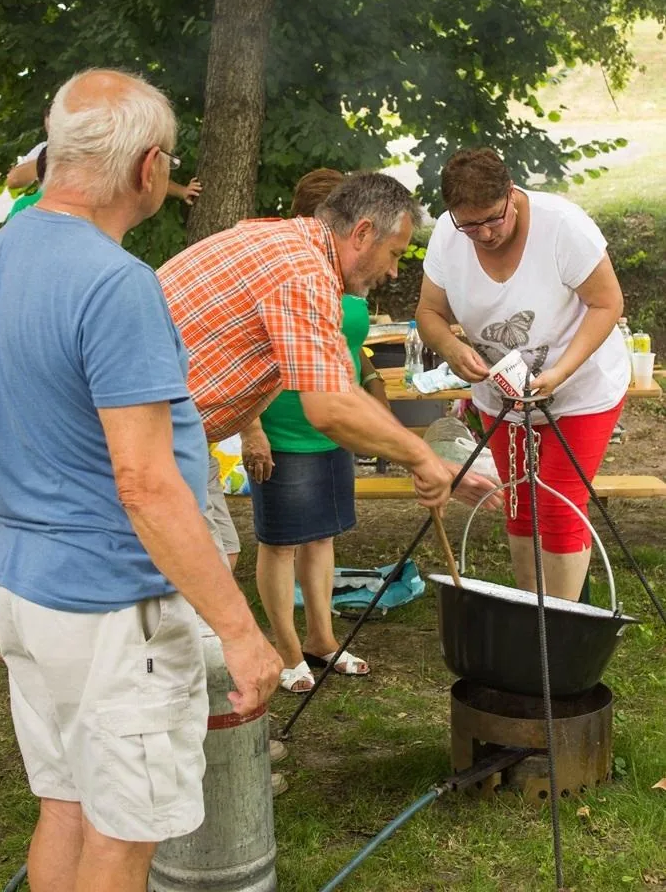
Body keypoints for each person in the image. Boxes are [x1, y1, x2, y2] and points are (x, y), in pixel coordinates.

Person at [0, 68, 281, 892]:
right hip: (113, 607)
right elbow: (145, 483)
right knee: (119, 833)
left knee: (66, 806)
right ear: (149, 168)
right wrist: (241, 632)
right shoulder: (115, 283)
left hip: (24, 588)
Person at [158, 171, 502, 692]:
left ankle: (195, 735)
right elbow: (330, 407)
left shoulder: (281, 241)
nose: (393, 271)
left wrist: (421, 457)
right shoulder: (302, 271)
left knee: (175, 597)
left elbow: (338, 384)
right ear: (362, 232)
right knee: (160, 607)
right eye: (393, 252)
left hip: (165, 430)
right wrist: (424, 460)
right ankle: (172, 737)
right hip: (144, 437)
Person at [416, 147, 629, 601]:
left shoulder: (561, 227)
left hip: (580, 388)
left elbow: (608, 303)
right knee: (520, 504)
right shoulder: (448, 238)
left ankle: (562, 631)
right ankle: (533, 627)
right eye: (469, 225)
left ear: (511, 195)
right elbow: (430, 312)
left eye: (493, 219)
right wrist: (453, 349)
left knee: (557, 505)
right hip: (503, 395)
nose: (485, 233)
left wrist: (561, 372)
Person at [249, 169, 390, 692]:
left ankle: (322, 639)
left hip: (335, 423)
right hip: (283, 425)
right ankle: (286, 650)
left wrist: (369, 386)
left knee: (322, 536)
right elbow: (251, 352)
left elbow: (351, 348)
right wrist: (251, 430)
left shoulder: (344, 274)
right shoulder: (289, 269)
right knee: (280, 542)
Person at [5, 110, 203, 205]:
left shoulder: (96, 147)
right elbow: (13, 181)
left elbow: (142, 173)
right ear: (46, 122)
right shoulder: (42, 149)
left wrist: (182, 191)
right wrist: (52, 155)